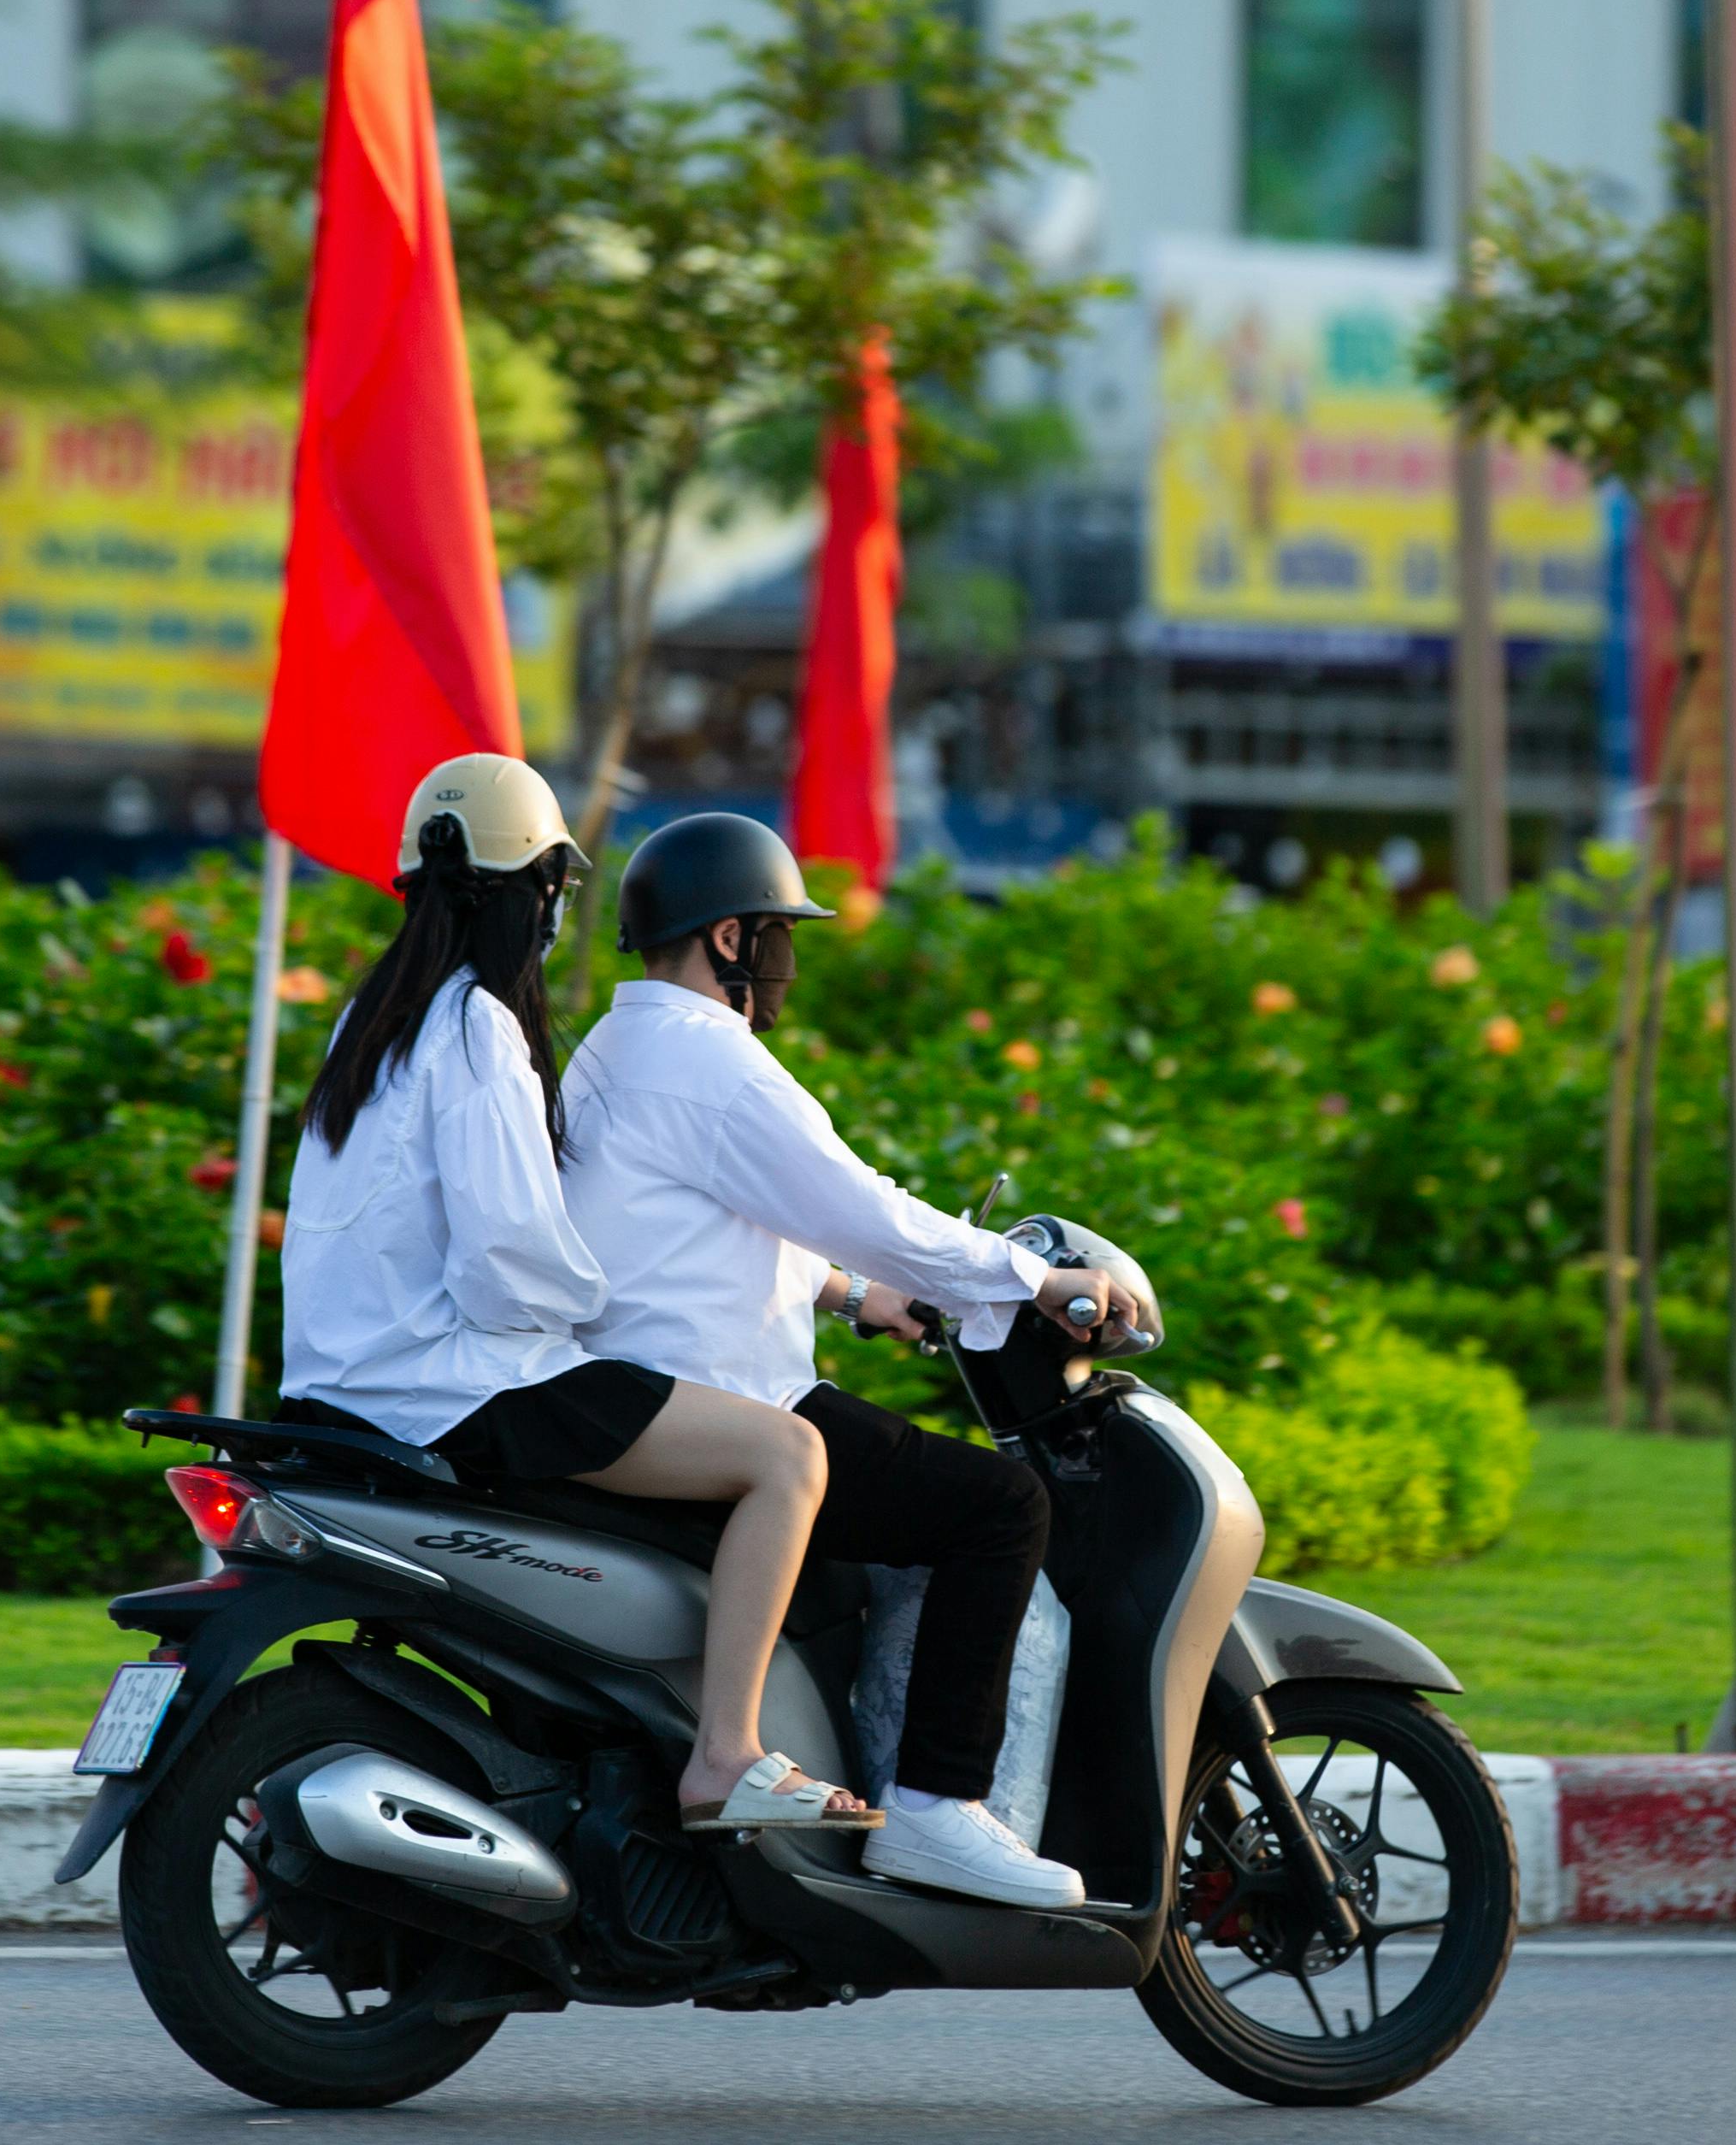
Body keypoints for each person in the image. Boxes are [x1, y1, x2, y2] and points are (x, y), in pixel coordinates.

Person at [272, 756, 867, 1835]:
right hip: (456, 1388)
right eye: (554, 894)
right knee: (789, 1456)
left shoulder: (370, 1019)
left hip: (338, 1387)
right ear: (536, 890)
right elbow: (510, 1260)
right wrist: (602, 1310)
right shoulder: (478, 1028)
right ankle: (728, 1753)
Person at [557, 814, 1138, 1912]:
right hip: (723, 1400)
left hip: (645, 1381)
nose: (786, 961)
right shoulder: (715, 1061)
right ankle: (934, 1809)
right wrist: (1033, 1283)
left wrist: (852, 1295)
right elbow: (860, 1205)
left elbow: (694, 1225)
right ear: (729, 938)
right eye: (779, 935)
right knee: (1001, 1506)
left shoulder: (615, 1047)